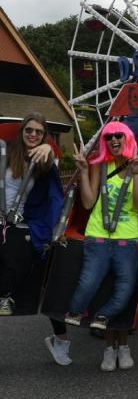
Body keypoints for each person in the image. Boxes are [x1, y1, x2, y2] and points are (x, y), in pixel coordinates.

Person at [65, 121, 138, 371]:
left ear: (127, 138)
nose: (113, 140)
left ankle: (104, 319)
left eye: (118, 136)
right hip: (98, 235)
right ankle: (80, 316)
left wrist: (135, 174)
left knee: (125, 289)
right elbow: (88, 202)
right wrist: (83, 171)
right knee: (89, 282)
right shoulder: (99, 165)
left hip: (126, 238)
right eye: (108, 137)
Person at [0, 114, 68, 364]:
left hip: (22, 224)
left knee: (35, 268)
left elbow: (53, 191)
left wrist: (48, 148)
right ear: (22, 131)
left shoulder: (43, 160)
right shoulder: (6, 153)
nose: (33, 135)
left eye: (39, 132)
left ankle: (61, 339)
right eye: (29, 130)